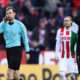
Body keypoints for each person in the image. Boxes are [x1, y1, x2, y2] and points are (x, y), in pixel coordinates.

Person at [0, 6, 30, 80]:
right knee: (16, 75)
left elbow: (25, 38)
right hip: (8, 50)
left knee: (9, 73)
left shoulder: (20, 25)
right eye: (7, 13)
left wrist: (27, 51)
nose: (8, 15)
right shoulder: (4, 24)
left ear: (14, 14)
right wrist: (3, 22)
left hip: (16, 50)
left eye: (10, 13)